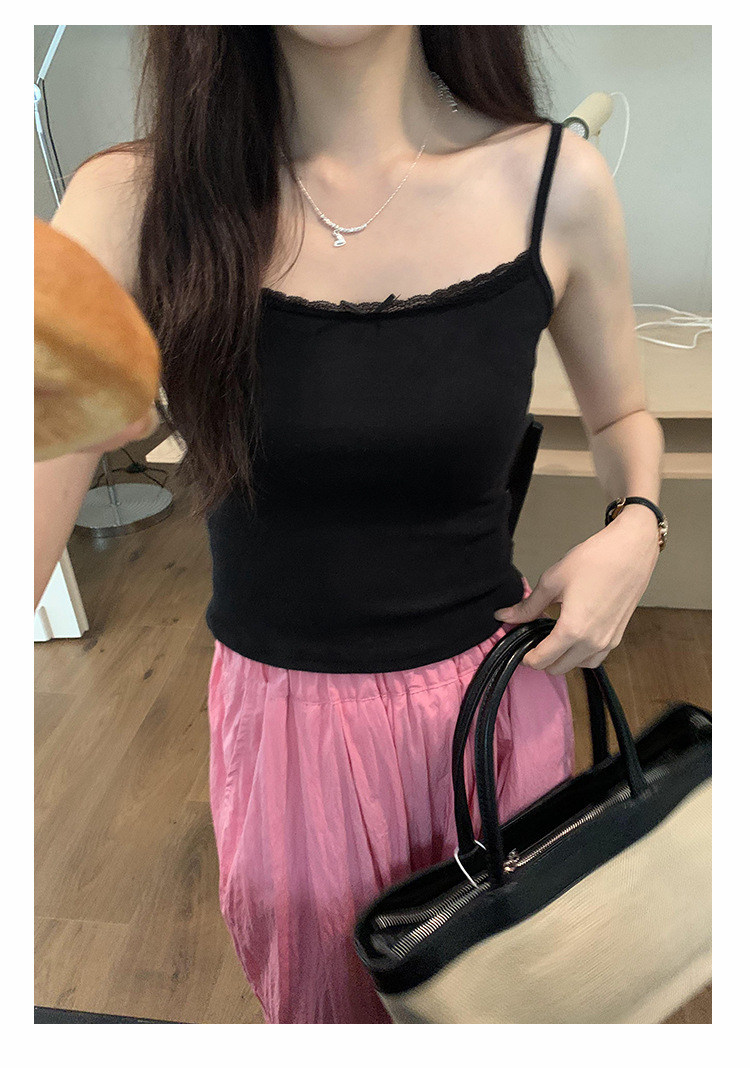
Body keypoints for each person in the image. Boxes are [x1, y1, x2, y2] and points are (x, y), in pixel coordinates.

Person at [34, 26, 665, 1024]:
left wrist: (637, 522)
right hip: (289, 740)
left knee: (512, 1011)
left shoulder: (556, 182)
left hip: (495, 709)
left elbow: (623, 414)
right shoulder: (131, 204)